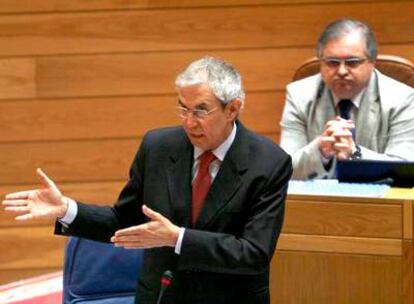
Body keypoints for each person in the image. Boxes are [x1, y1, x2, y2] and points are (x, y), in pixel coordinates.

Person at [3, 57, 292, 304]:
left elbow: (253, 253)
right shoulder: (158, 146)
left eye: (201, 111)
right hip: (160, 296)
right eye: (183, 108)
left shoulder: (268, 163)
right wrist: (67, 209)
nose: (189, 122)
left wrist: (177, 238)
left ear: (233, 109)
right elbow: (124, 222)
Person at [280, 18, 414, 180]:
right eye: (332, 63)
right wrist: (320, 150)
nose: (342, 71)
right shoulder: (299, 95)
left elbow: (406, 169)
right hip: (317, 200)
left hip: (380, 200)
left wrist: (355, 153)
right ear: (321, 63)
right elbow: (284, 168)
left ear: (372, 62)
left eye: (352, 62)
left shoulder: (402, 98)